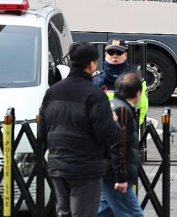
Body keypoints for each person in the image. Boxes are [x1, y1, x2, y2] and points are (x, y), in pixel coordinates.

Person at [39, 42, 120, 217]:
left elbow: (42, 132)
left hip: (57, 164)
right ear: (92, 64)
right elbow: (106, 133)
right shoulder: (95, 95)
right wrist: (114, 122)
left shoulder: (52, 92)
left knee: (64, 212)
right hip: (85, 167)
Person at [98, 70, 144, 217]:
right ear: (138, 93)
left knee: (104, 212)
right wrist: (121, 178)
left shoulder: (112, 105)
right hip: (115, 175)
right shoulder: (123, 110)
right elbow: (120, 146)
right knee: (134, 214)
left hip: (107, 172)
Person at [93, 38, 149, 125]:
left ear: (125, 55)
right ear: (105, 55)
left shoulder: (136, 81)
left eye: (119, 53)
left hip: (126, 130)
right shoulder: (96, 80)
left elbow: (142, 108)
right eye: (111, 53)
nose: (114, 56)